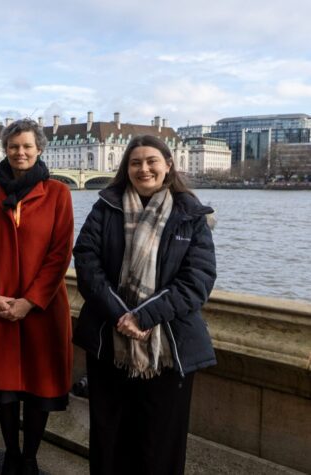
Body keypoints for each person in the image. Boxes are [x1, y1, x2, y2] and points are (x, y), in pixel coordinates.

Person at [73, 135, 216, 475]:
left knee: (160, 442)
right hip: (110, 341)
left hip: (168, 346)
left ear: (168, 165)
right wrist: (121, 314)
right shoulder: (105, 207)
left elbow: (197, 280)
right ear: (126, 168)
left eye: (152, 161)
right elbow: (86, 263)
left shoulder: (191, 215)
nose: (144, 168)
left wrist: (144, 316)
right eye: (135, 162)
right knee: (109, 437)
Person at [0, 119, 74, 475]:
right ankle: (11, 452)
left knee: (38, 387)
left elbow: (60, 254)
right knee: (5, 388)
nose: (20, 153)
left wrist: (30, 300)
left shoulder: (58, 193)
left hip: (41, 309)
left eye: (27, 146)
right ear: (5, 150)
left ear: (40, 149)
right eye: (14, 147)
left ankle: (30, 456)